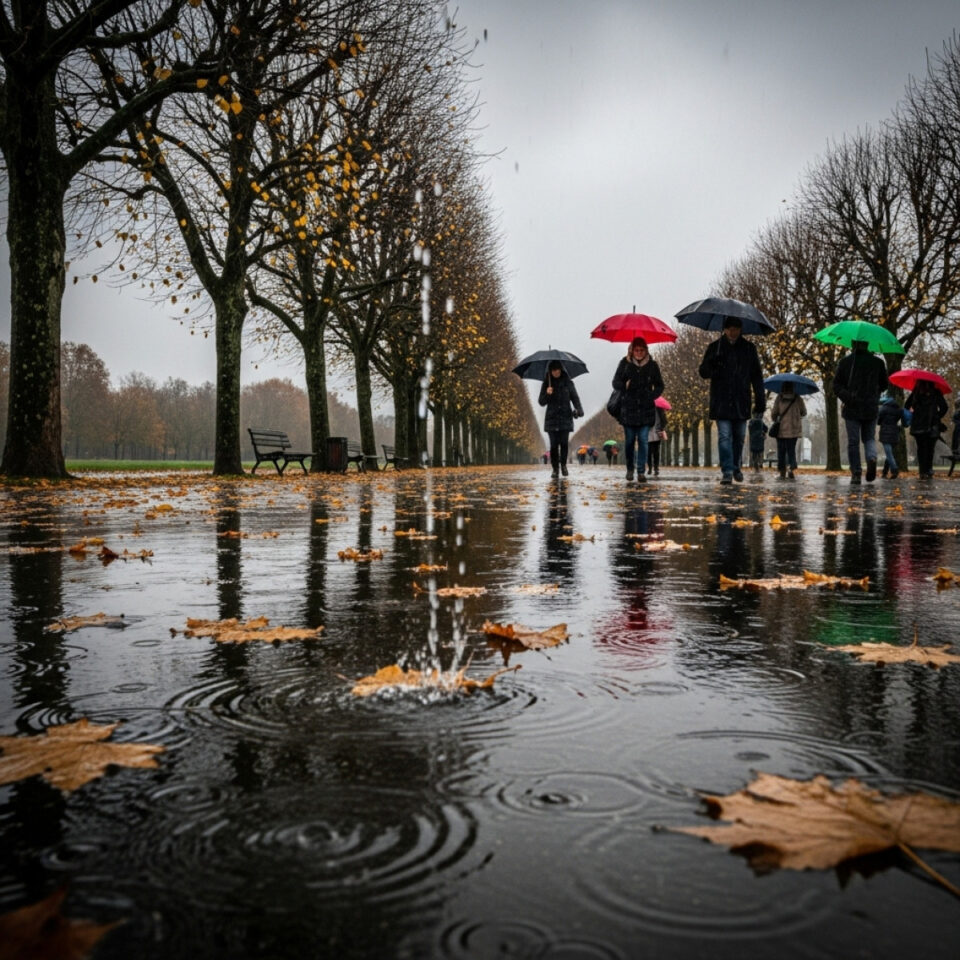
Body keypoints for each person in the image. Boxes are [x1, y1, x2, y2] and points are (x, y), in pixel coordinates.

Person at [698, 316, 765, 484]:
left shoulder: (749, 349)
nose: (732, 332)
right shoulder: (715, 348)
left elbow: (756, 375)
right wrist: (713, 362)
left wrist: (760, 398)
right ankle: (727, 470)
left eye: (735, 328)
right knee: (724, 436)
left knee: (739, 437)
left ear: (740, 329)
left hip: (741, 400)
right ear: (725, 329)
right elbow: (703, 372)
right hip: (721, 400)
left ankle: (736, 466)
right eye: (729, 329)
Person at [832, 339, 888, 484]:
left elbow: (836, 385)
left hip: (852, 407)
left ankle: (856, 472)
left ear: (852, 344)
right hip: (871, 406)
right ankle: (871, 458)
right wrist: (874, 393)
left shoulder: (845, 362)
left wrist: (847, 396)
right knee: (869, 438)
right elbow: (884, 385)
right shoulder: (878, 363)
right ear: (867, 344)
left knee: (853, 441)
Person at [612, 337, 664, 483]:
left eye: (642, 350)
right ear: (632, 350)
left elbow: (660, 385)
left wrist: (651, 396)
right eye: (636, 350)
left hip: (646, 409)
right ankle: (630, 468)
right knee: (629, 442)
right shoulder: (625, 364)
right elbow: (615, 383)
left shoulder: (653, 366)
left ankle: (641, 471)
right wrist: (625, 385)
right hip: (628, 409)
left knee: (643, 440)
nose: (639, 353)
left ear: (646, 350)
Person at [538, 360, 583, 478]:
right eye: (553, 370)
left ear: (561, 369)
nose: (556, 372)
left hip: (565, 417)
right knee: (553, 445)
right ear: (550, 371)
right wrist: (547, 394)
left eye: (557, 370)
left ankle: (563, 465)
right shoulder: (546, 383)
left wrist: (579, 410)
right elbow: (541, 402)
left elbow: (575, 397)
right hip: (552, 418)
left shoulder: (568, 382)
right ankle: (555, 469)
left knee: (563, 443)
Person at [905, 379, 947, 480]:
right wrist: (937, 416)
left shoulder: (916, 392)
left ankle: (922, 471)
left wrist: (914, 410)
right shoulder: (936, 392)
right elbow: (944, 407)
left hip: (918, 425)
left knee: (921, 449)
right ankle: (929, 470)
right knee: (930, 449)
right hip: (932, 425)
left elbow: (906, 406)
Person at [770, 383, 806, 480]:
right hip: (794, 430)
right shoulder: (798, 398)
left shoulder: (779, 397)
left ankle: (782, 472)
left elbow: (774, 413)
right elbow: (804, 412)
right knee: (791, 450)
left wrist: (775, 418)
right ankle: (791, 469)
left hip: (781, 430)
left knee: (781, 451)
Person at [877, 391, 907, 479]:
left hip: (885, 433)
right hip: (895, 434)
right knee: (889, 453)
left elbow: (878, 422)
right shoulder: (899, 409)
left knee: (889, 453)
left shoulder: (883, 409)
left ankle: (894, 470)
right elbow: (903, 422)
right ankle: (884, 472)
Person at [647, 406, 667, 477]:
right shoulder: (646, 408)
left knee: (656, 452)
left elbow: (664, 420)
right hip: (648, 432)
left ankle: (656, 468)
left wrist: (661, 427)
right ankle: (650, 467)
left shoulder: (659, 409)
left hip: (657, 432)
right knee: (648, 452)